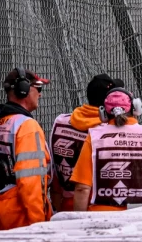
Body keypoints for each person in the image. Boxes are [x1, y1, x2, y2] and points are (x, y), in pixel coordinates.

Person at [0, 69, 52, 230]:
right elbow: (31, 181)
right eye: (38, 88)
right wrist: (39, 226)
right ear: (24, 89)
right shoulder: (27, 126)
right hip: (22, 215)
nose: (40, 94)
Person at [49, 74, 124, 213]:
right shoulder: (108, 132)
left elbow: (54, 174)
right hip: (99, 208)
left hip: (64, 207)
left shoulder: (60, 121)